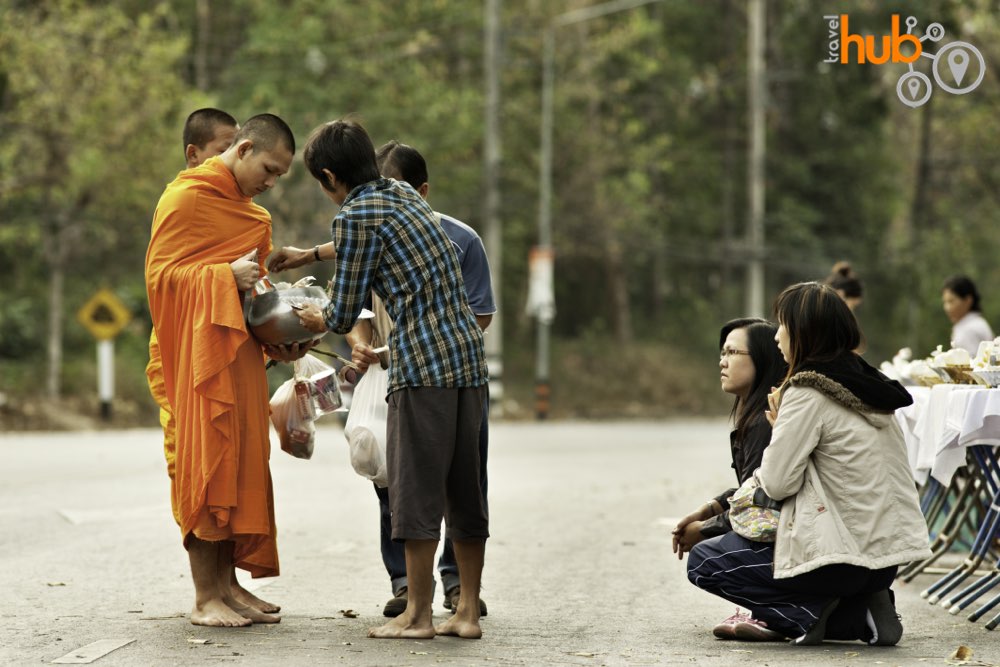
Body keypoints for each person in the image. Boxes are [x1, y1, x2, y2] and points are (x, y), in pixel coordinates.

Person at [268, 119, 489, 640]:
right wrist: (311, 254)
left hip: (423, 366)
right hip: (467, 363)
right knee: (465, 490)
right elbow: (374, 241)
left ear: (328, 177)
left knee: (413, 491)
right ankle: (468, 614)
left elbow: (343, 312)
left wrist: (302, 314)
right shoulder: (400, 194)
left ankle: (417, 615)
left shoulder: (352, 214)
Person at [686, 282, 931, 646]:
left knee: (705, 561)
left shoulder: (806, 390)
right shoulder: (869, 383)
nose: (777, 337)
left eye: (782, 325)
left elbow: (776, 484)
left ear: (804, 331)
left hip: (840, 559)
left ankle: (837, 618)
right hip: (885, 560)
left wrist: (779, 427)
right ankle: (867, 601)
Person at [145, 113, 303, 627]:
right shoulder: (185, 199)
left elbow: (254, 298)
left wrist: (285, 336)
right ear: (244, 147)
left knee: (240, 469)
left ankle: (229, 587)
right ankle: (203, 597)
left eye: (280, 175)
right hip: (192, 357)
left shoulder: (255, 219)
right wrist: (220, 275)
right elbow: (160, 279)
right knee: (205, 465)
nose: (272, 182)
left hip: (240, 359)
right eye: (270, 169)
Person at [353, 140, 495, 618]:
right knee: (398, 480)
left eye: (393, 188)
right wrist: (361, 341)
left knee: (418, 486)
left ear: (422, 191)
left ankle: (429, 602)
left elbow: (480, 315)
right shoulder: (377, 233)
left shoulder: (461, 239)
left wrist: (387, 348)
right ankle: (432, 596)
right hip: (447, 371)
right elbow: (357, 309)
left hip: (418, 370)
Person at [671, 317, 787, 638]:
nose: (722, 361)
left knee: (702, 561)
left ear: (762, 359)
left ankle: (788, 614)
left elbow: (760, 504)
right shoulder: (757, 413)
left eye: (733, 352)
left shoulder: (767, 419)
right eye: (722, 353)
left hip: (795, 539)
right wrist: (710, 508)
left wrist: (705, 530)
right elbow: (752, 483)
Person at [942, 275, 994, 356]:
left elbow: (968, 366)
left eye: (951, 301)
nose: (947, 308)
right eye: (945, 302)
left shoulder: (969, 329)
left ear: (968, 300)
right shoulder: (975, 323)